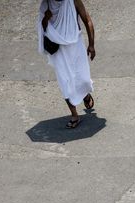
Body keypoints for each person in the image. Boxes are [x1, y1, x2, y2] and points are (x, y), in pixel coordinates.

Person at [38, 0, 96, 129]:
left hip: (75, 44)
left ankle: (85, 94)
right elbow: (43, 26)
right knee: (65, 82)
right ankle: (74, 114)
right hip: (58, 48)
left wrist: (91, 45)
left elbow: (87, 20)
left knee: (84, 80)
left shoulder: (73, 1)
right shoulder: (46, 4)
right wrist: (46, 18)